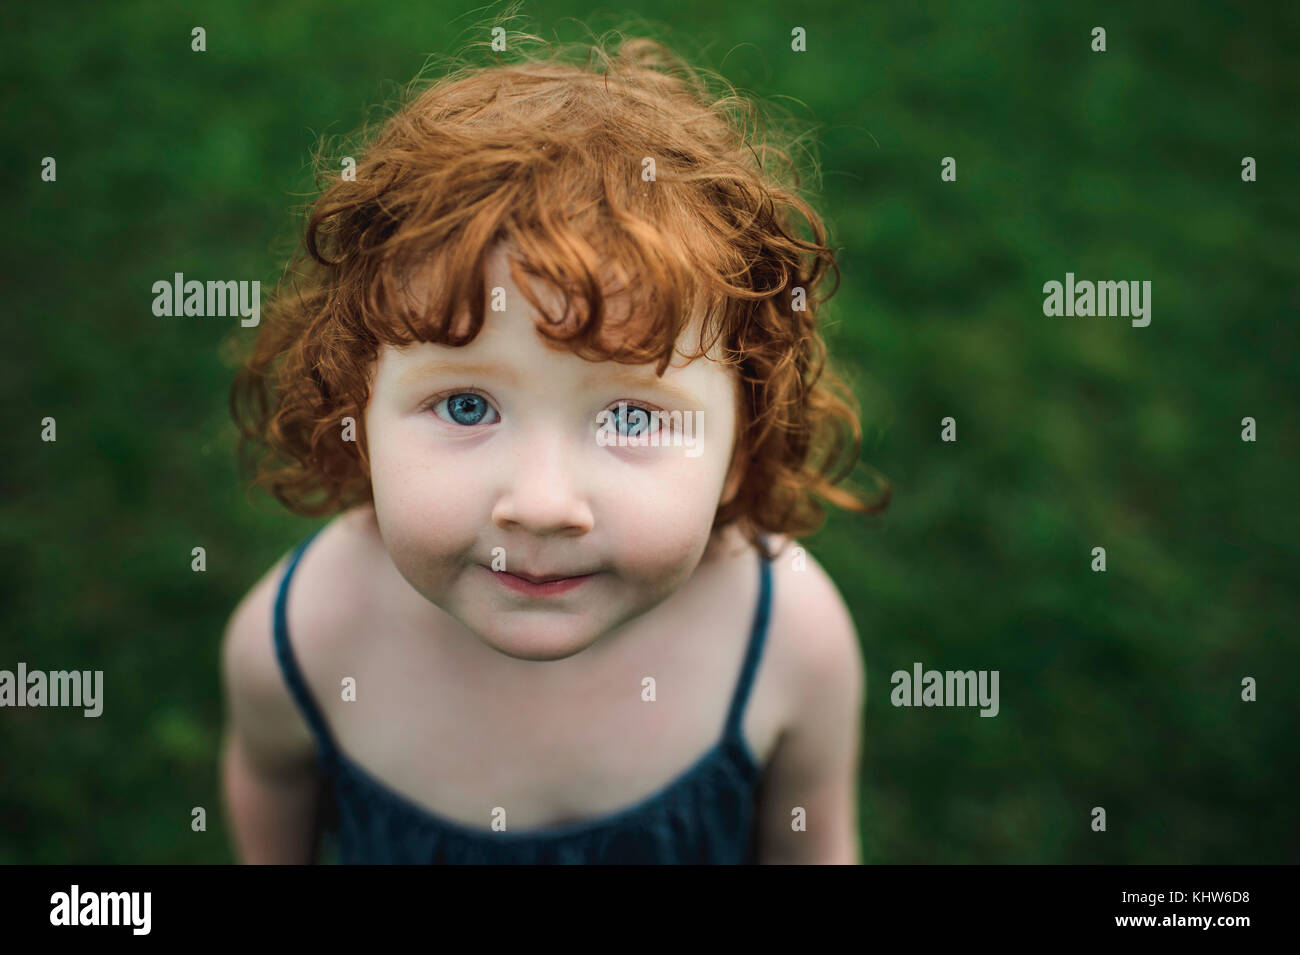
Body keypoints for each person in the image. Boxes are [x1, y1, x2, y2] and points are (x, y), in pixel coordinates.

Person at [219, 30, 888, 864]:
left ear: (740, 450)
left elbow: (817, 844)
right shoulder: (304, 640)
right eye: (466, 404)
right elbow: (271, 787)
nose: (539, 501)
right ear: (358, 413)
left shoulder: (788, 635)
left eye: (633, 419)